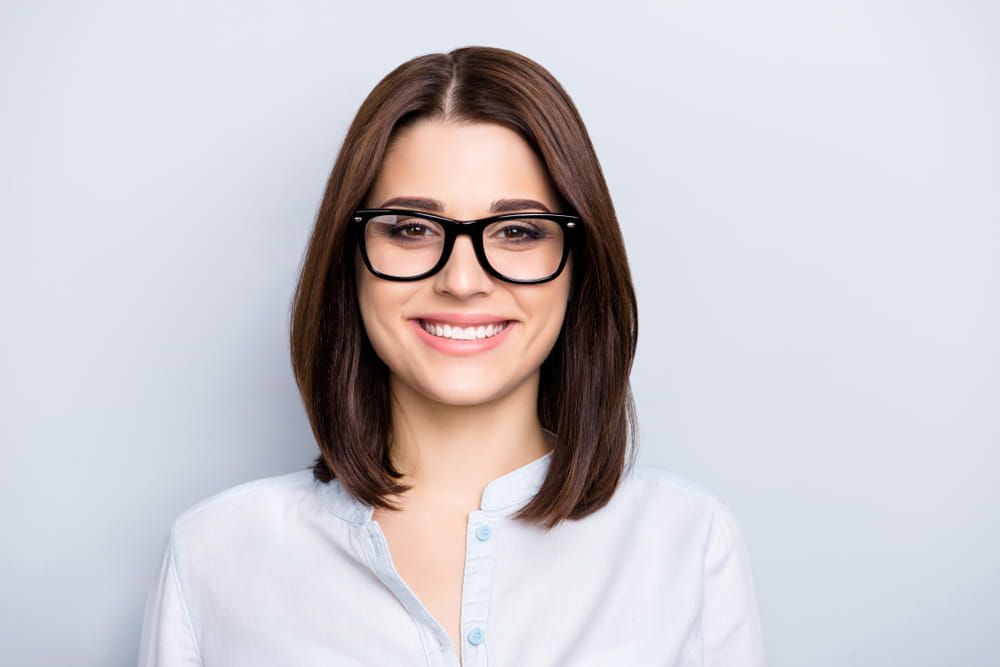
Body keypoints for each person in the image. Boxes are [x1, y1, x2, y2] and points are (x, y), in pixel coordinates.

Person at [137, 45, 767, 667]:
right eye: (411, 228)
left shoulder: (685, 544)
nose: (462, 281)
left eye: (517, 232)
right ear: (350, 260)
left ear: (579, 266)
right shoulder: (216, 554)